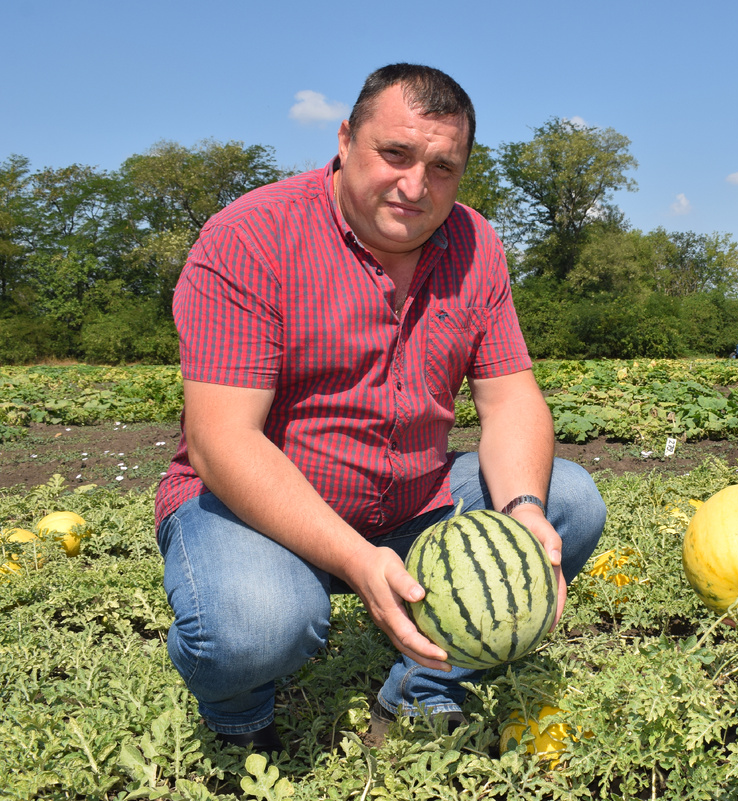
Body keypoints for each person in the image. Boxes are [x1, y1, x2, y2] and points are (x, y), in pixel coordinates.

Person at [154, 63, 606, 752]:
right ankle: (240, 720)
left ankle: (423, 689)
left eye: (443, 167)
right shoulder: (249, 237)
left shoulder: (476, 245)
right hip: (259, 511)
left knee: (568, 502)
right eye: (395, 153)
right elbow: (223, 443)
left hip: (411, 502)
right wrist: (359, 561)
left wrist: (523, 510)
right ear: (344, 140)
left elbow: (511, 397)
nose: (416, 185)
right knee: (251, 624)